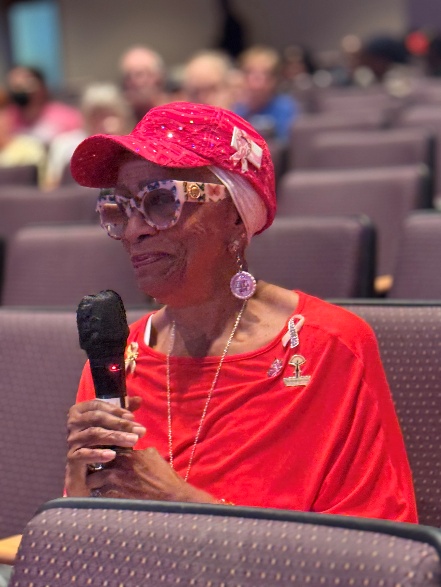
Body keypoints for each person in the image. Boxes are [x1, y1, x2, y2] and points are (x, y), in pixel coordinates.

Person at [66, 101, 417, 522]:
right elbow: (85, 537)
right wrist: (78, 489)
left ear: (234, 214)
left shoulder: (330, 347)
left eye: (160, 200)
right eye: (120, 207)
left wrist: (180, 500)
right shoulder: (115, 360)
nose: (134, 230)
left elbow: (378, 546)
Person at [44, 82, 134, 189]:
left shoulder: (134, 148)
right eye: (97, 115)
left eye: (110, 114)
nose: (104, 122)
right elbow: (51, 187)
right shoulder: (65, 145)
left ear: (123, 116)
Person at [233, 45, 299, 141]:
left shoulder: (286, 107)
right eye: (249, 73)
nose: (255, 83)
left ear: (274, 79)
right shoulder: (238, 108)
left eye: (264, 74)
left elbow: (285, 144)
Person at [6, 65, 83, 146]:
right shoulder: (8, 119)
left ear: (41, 86)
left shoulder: (66, 116)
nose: (21, 91)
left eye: (27, 83)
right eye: (16, 87)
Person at [119, 45, 168, 122]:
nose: (132, 82)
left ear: (157, 76)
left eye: (139, 74)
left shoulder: (175, 111)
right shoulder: (122, 120)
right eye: (127, 76)